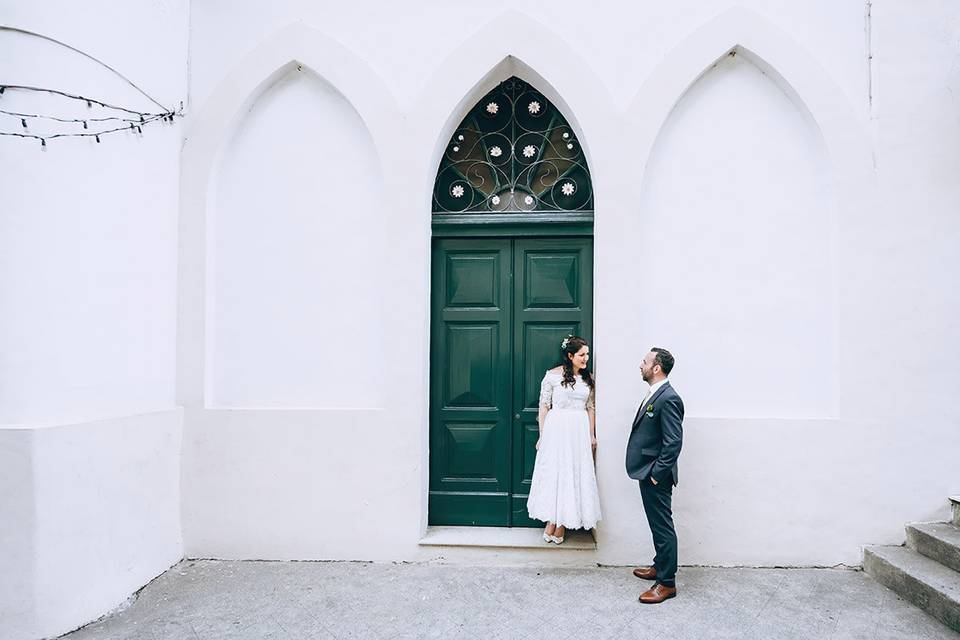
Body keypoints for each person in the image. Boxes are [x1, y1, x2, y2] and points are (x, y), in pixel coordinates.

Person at [526, 335, 602, 544]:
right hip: (556, 429)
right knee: (555, 472)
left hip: (578, 430)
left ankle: (562, 523)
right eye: (582, 355)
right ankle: (552, 519)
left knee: (573, 472)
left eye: (587, 354)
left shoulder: (589, 379)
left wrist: (591, 434)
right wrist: (543, 436)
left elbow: (590, 407)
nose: (586, 358)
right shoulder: (551, 376)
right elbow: (544, 406)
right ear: (570, 356)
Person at [625, 347, 684, 603]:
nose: (641, 365)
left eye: (645, 361)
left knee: (662, 527)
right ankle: (660, 566)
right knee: (656, 524)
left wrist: (656, 474)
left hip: (655, 474)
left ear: (656, 367)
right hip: (647, 471)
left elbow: (673, 443)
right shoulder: (655, 394)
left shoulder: (669, 398)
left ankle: (667, 583)